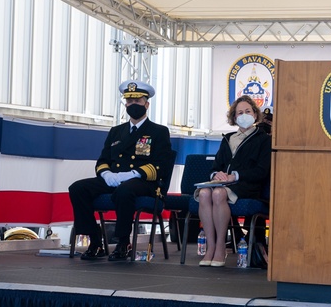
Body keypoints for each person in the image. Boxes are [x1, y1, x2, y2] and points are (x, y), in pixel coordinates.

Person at [68, 80, 173, 261]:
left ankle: (123, 243)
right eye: (129, 102)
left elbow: (161, 165)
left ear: (146, 104)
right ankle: (95, 241)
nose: (133, 105)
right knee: (78, 188)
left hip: (144, 182)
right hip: (115, 179)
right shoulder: (116, 131)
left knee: (125, 191)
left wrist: (133, 174)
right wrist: (106, 174)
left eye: (137, 101)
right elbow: (103, 160)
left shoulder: (158, 131)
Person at [196, 95, 272, 267]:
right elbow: (215, 166)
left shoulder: (264, 139)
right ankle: (211, 246)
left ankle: (221, 246)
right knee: (204, 193)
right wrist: (216, 175)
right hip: (224, 183)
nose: (243, 115)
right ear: (234, 117)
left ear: (254, 114)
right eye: (239, 113)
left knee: (218, 193)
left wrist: (235, 176)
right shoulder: (228, 139)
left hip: (248, 185)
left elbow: (261, 171)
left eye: (247, 111)